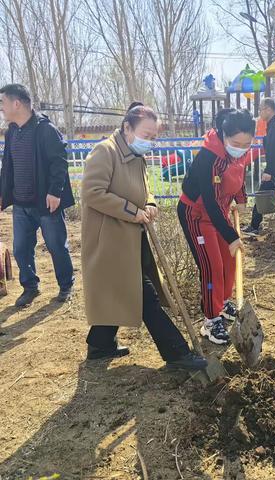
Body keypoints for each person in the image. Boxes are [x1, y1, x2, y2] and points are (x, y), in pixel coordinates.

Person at [81, 102, 207, 371]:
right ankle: (177, 354)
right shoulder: (105, 152)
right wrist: (132, 211)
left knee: (122, 289)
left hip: (133, 236)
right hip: (110, 241)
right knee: (143, 294)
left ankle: (100, 344)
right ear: (127, 127)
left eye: (153, 137)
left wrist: (149, 204)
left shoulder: (135, 156)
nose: (150, 141)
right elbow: (92, 192)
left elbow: (144, 189)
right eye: (146, 135)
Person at [178, 108, 255, 345]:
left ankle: (220, 304)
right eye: (235, 143)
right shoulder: (209, 157)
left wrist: (241, 198)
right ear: (223, 135)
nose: (241, 148)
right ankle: (210, 321)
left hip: (219, 212)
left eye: (246, 143)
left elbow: (240, 174)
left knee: (228, 262)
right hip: (197, 214)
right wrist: (231, 236)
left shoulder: (240, 153)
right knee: (212, 266)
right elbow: (209, 201)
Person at [0, 83, 75, 307]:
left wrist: (55, 192)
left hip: (45, 202)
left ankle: (65, 285)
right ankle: (30, 287)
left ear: (17, 103)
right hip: (21, 204)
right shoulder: (12, 130)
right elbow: (8, 166)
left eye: (2, 103)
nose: (1, 109)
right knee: (21, 248)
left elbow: (59, 163)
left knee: (56, 246)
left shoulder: (45, 129)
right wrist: (3, 194)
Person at [242, 98, 275, 237]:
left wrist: (269, 171)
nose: (259, 112)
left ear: (268, 109)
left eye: (260, 109)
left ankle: (255, 226)